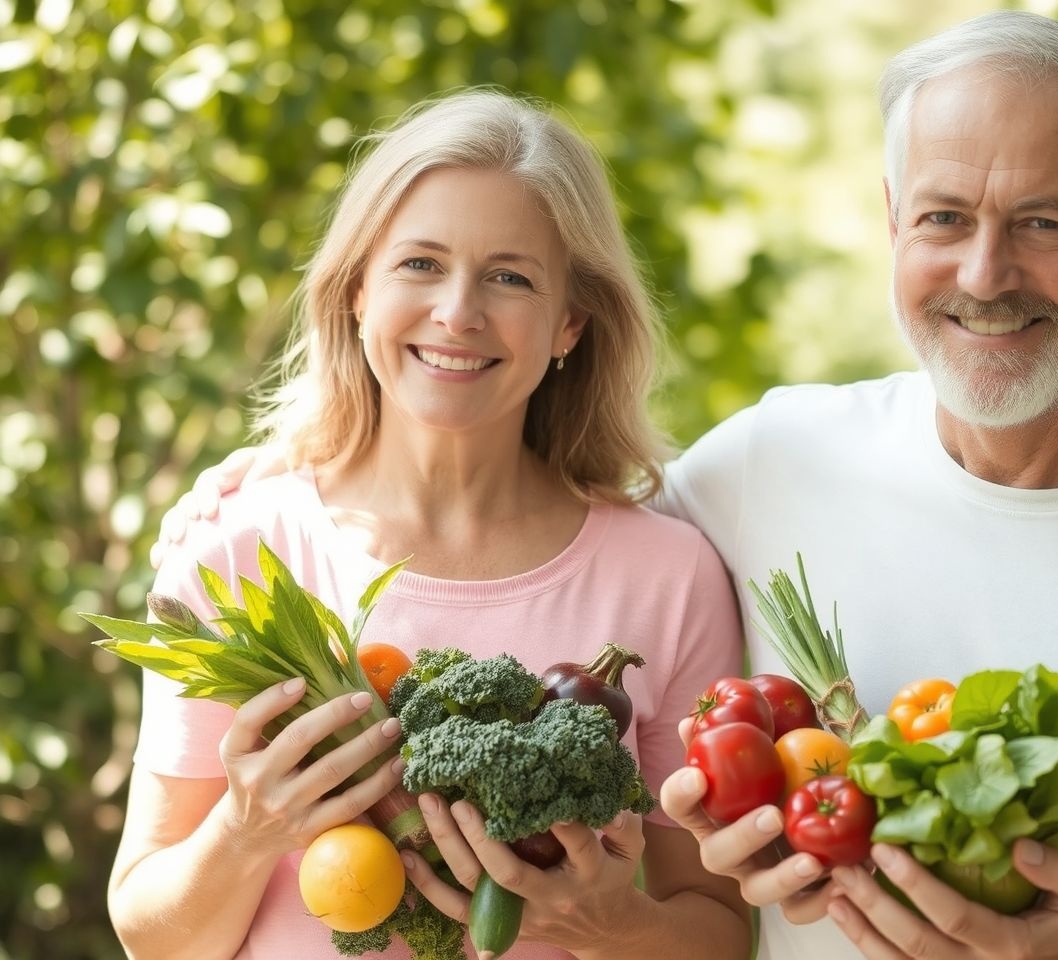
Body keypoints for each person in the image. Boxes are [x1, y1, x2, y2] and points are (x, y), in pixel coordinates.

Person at [155, 12, 1058, 959]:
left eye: (1043, 223)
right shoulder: (767, 467)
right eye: (944, 217)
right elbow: (520, 515)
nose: (983, 274)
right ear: (894, 223)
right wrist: (285, 474)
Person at [109, 90, 750, 960]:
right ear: (357, 291)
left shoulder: (667, 576)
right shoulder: (237, 552)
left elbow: (719, 930)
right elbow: (152, 939)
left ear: (569, 323)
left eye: (510, 277)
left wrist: (613, 926)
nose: (458, 312)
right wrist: (244, 832)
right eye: (420, 263)